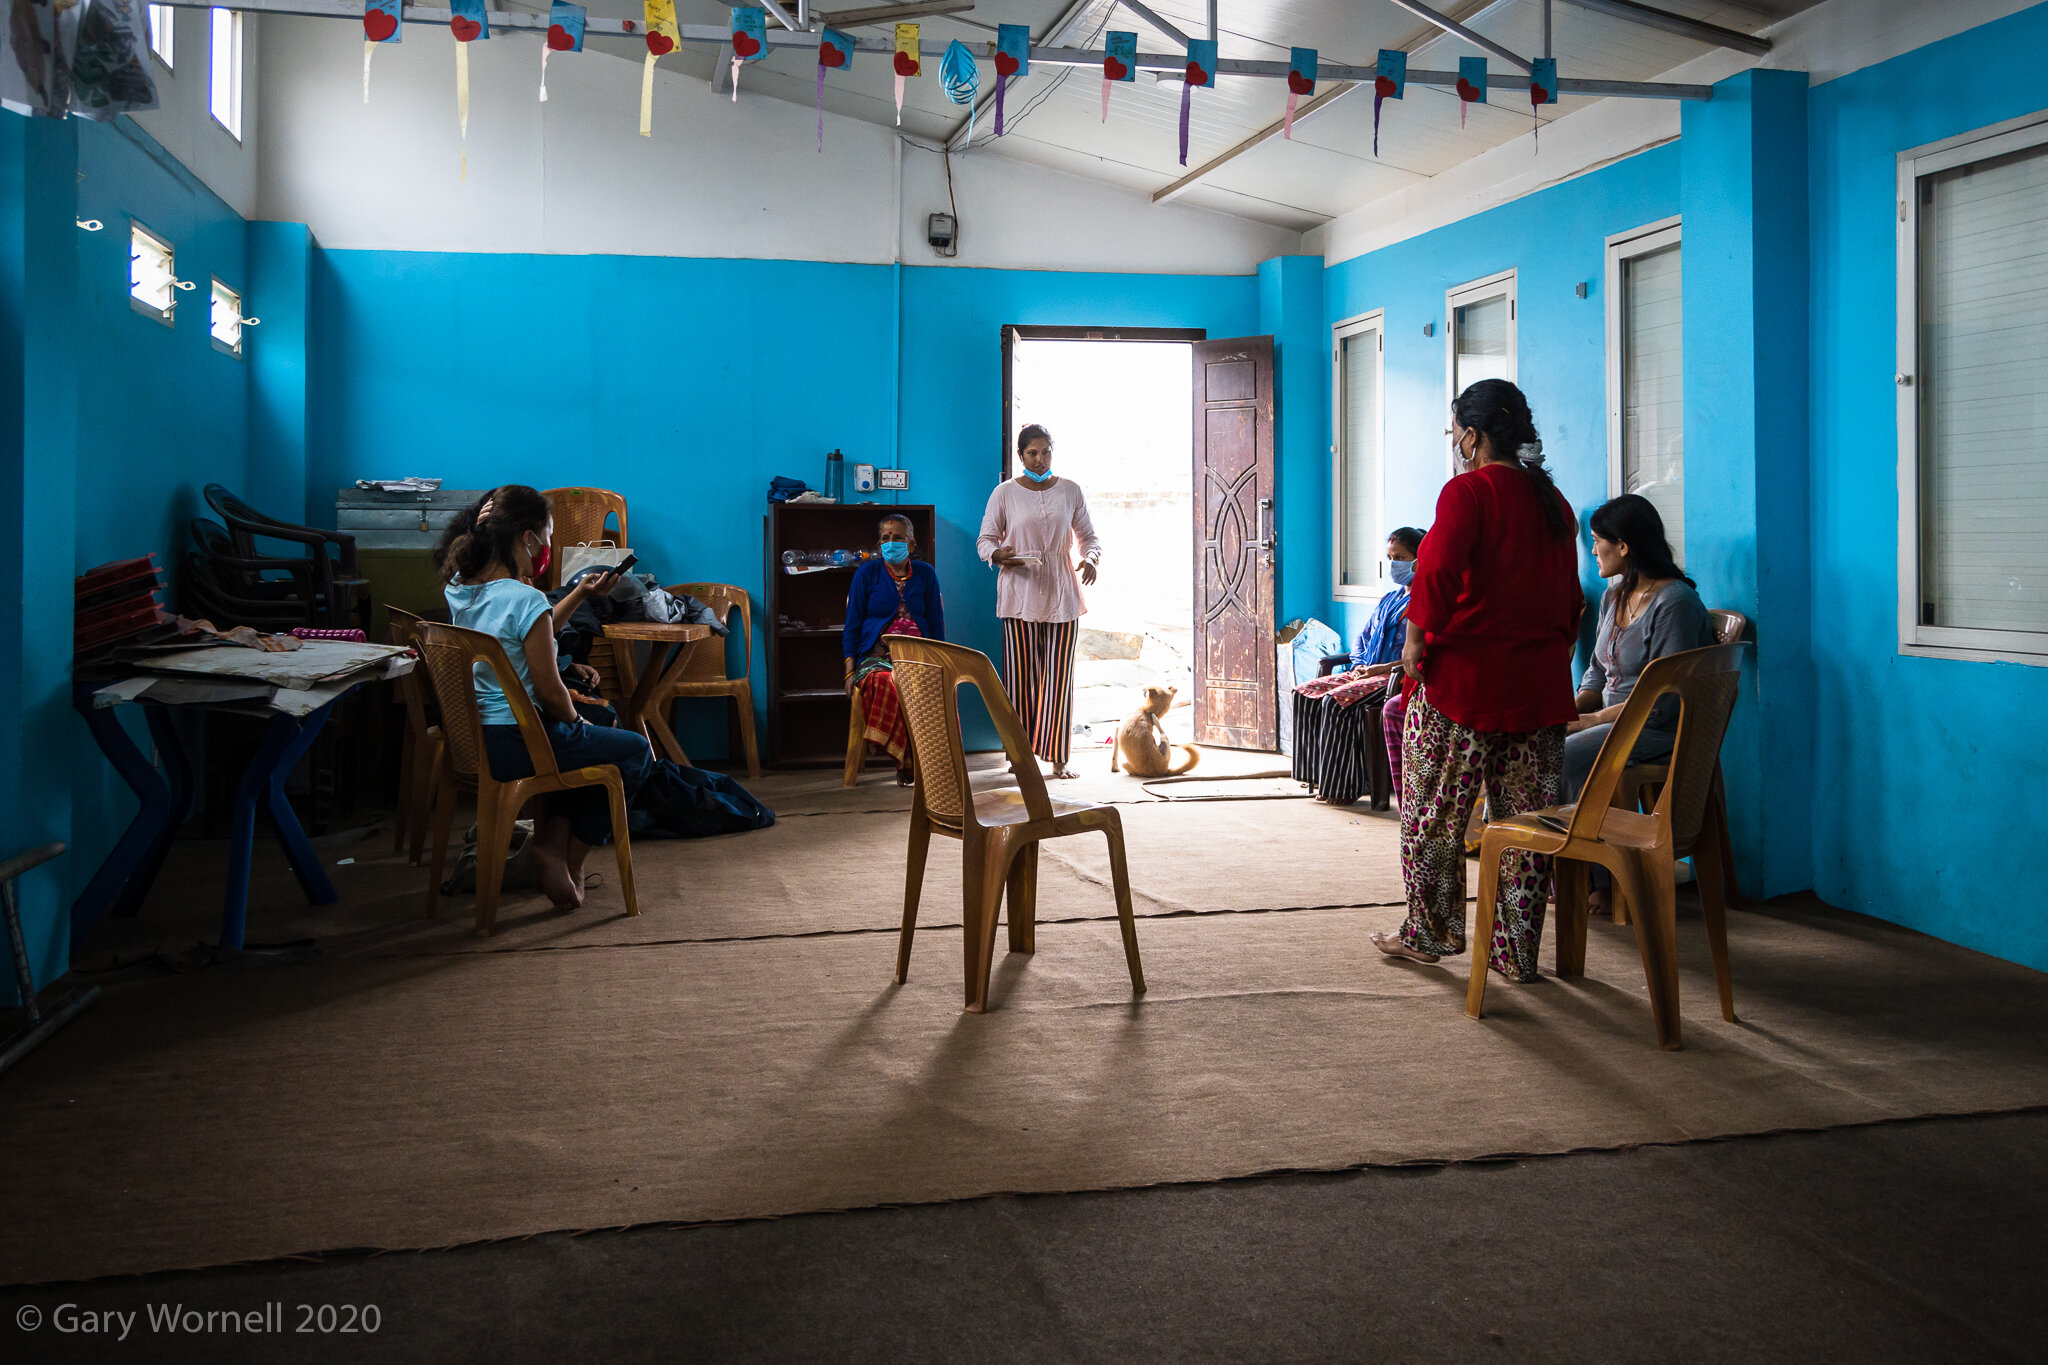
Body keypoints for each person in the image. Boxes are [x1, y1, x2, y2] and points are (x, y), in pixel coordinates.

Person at [433, 485, 773, 911]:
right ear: (526, 538)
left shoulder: (462, 589)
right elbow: (548, 688)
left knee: (586, 743)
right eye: (549, 536)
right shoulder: (525, 599)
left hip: (484, 737)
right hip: (522, 742)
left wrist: (578, 594)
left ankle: (552, 842)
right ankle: (564, 857)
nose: (548, 548)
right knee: (630, 750)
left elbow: (523, 632)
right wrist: (577, 720)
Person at [1371, 380, 1583, 984]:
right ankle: (1516, 956)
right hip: (1537, 690)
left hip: (1463, 687)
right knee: (1525, 823)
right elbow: (1568, 600)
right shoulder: (1553, 501)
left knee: (1434, 815)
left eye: (1454, 431)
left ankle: (1431, 933)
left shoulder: (1467, 492)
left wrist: (1414, 643)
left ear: (1471, 434)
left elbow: (1434, 576)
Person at [1564, 493, 1714, 914]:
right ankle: (1563, 864)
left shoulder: (1675, 603)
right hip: (1611, 720)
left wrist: (1588, 721)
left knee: (1568, 756)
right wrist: (1574, 709)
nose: (1592, 550)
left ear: (1624, 545)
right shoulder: (1615, 596)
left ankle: (1603, 878)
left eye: (1598, 541)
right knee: (1539, 741)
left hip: (1657, 728)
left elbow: (1664, 699)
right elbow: (1596, 670)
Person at [977, 424, 1101, 780]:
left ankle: (1059, 758)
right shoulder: (1004, 494)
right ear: (1020, 456)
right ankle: (1020, 757)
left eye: (1045, 452)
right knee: (1020, 682)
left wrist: (1091, 558)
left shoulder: (1070, 491)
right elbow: (985, 539)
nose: (1040, 459)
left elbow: (1089, 536)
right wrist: (999, 555)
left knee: (1059, 680)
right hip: (1019, 596)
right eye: (1032, 453)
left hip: (1063, 597)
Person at [843, 514, 946, 785]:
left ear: (910, 545)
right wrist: (849, 669)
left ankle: (933, 764)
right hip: (878, 658)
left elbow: (936, 624)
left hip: (919, 656)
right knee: (890, 681)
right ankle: (907, 764)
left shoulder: (926, 573)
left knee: (933, 686)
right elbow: (852, 624)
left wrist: (942, 662)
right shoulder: (867, 573)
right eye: (885, 539)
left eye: (897, 538)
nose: (890, 543)